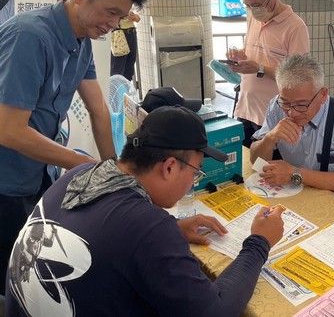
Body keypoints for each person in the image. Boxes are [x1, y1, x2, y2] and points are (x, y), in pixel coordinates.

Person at [5, 105, 284, 316]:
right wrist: (259, 243)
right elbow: (215, 311)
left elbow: (105, 234)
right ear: (170, 167)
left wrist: (174, 228)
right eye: (195, 174)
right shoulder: (147, 227)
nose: (193, 182)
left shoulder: (79, 174)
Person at [0, 0, 147, 295]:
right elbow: (9, 129)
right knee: (11, 277)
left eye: (119, 18)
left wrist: (114, 171)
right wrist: (89, 167)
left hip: (35, 174)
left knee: (31, 267)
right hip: (5, 181)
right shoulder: (30, 36)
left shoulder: (80, 40)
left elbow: (98, 109)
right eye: (109, 13)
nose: (112, 25)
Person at [250, 54, 334, 205]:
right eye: (286, 103)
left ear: (322, 95)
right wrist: (270, 138)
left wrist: (294, 174)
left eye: (302, 105)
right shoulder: (276, 106)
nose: (292, 112)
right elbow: (255, 162)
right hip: (294, 196)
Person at [227, 0, 309, 147]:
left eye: (256, 5)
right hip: (245, 109)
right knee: (246, 169)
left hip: (273, 120)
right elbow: (255, 56)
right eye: (247, 5)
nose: (252, 10)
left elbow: (297, 79)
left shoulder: (295, 27)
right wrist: (240, 58)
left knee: (266, 172)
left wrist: (259, 69)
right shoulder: (254, 20)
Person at [110, 0, 141, 81]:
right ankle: (116, 99)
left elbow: (135, 10)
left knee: (129, 70)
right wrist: (122, 14)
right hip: (119, 34)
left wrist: (136, 17)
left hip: (131, 32)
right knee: (117, 71)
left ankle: (126, 98)